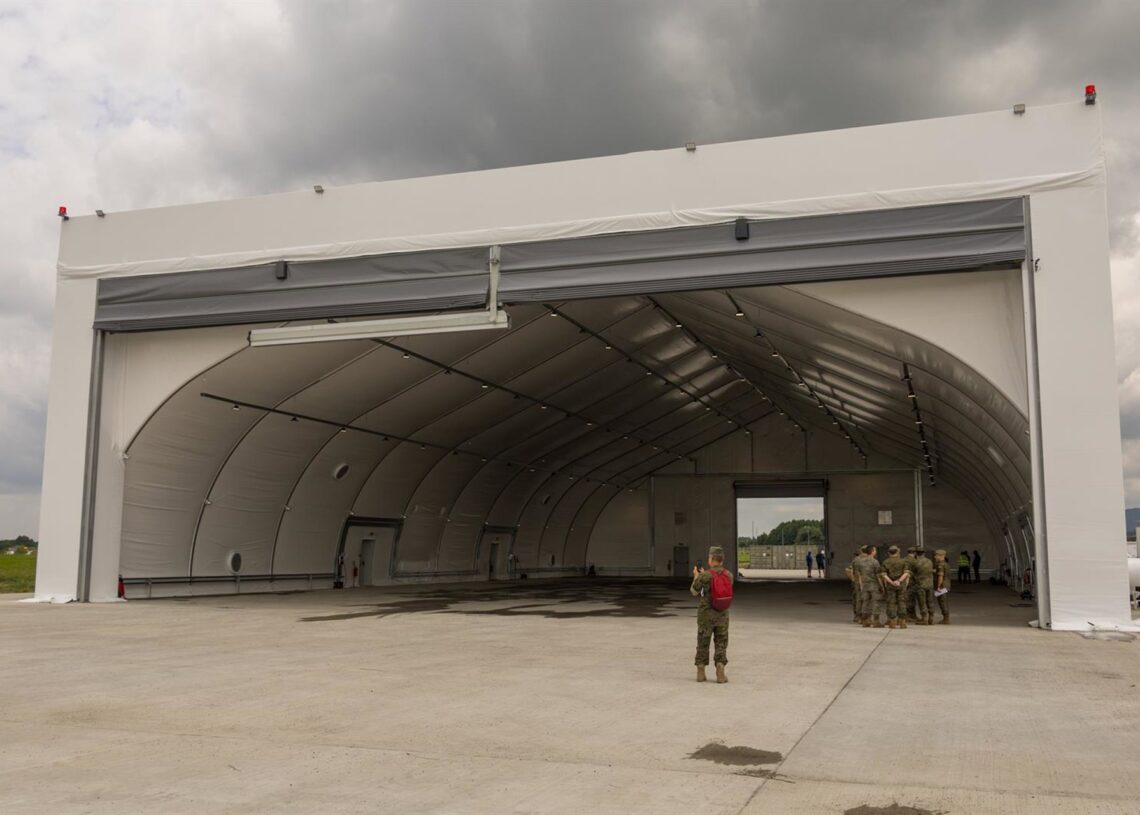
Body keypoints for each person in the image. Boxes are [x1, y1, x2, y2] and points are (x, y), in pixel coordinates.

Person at [691, 545, 732, 683]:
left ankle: (701, 673)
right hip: (722, 615)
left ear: (711, 558)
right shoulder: (729, 575)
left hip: (706, 615)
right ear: (722, 559)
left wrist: (696, 577)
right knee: (721, 642)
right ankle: (720, 671)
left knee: (703, 642)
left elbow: (694, 591)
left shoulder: (705, 575)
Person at [880, 545, 911, 629]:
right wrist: (899, 581)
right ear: (898, 552)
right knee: (902, 602)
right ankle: (902, 622)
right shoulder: (903, 561)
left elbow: (883, 575)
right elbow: (906, 573)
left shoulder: (885, 562)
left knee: (891, 603)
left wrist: (891, 582)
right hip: (901, 585)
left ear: (888, 552)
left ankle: (892, 622)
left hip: (890, 586)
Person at [856, 545, 884, 628]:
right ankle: (876, 621)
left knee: (865, 602)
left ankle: (865, 621)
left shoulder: (860, 562)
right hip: (874, 585)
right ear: (872, 551)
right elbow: (878, 576)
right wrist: (882, 586)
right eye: (875, 550)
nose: (876, 551)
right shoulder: (875, 562)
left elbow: (859, 575)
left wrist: (861, 585)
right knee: (875, 602)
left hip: (864, 584)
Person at [912, 548, 934, 625]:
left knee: (922, 602)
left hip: (920, 585)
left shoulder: (915, 562)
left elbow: (913, 574)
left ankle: (924, 619)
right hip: (930, 584)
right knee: (930, 601)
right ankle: (931, 618)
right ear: (924, 553)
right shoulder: (929, 561)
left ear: (916, 554)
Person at [846, 549, 864, 623]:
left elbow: (848, 570)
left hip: (856, 582)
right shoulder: (859, 560)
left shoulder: (855, 560)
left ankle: (857, 616)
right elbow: (848, 570)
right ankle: (859, 616)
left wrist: (852, 579)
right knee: (859, 599)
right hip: (859, 582)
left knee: (856, 599)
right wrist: (853, 579)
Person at [934, 549, 952, 624]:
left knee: (942, 602)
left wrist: (938, 586)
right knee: (944, 601)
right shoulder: (946, 564)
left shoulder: (941, 564)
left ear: (941, 556)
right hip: (947, 585)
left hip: (942, 586)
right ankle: (946, 618)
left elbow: (940, 576)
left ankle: (946, 619)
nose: (935, 557)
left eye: (936, 555)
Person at [903, 546, 920, 622]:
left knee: (906, 598)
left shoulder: (903, 560)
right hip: (912, 581)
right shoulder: (915, 561)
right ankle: (911, 615)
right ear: (915, 553)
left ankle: (908, 615)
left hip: (905, 581)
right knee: (911, 599)